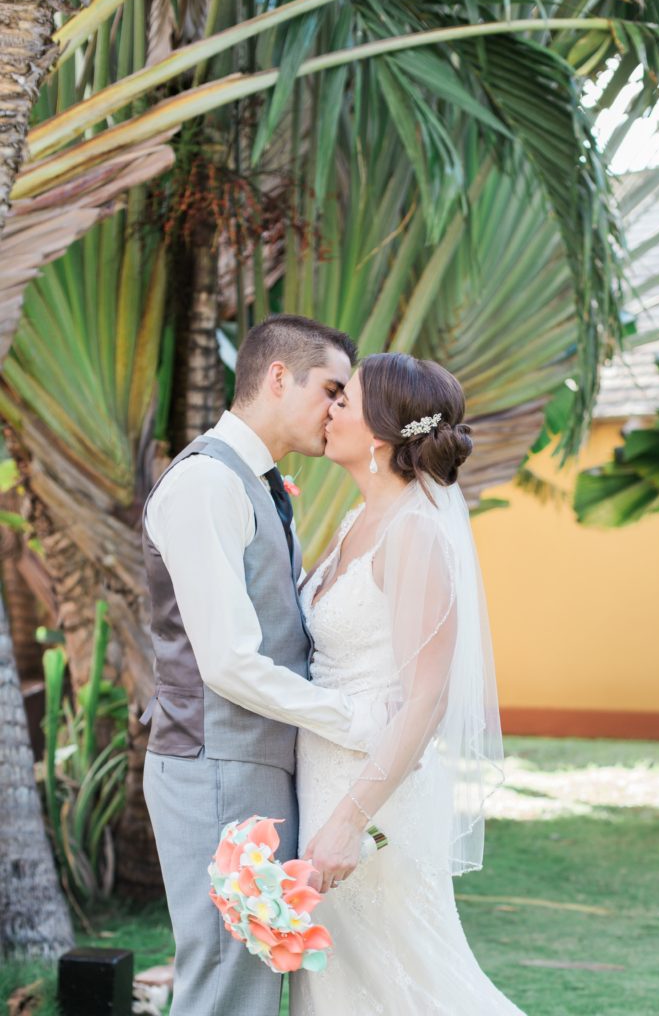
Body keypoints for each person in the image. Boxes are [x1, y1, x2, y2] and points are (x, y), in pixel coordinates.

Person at [141, 315, 385, 1016]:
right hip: (215, 761)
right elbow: (228, 663)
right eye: (331, 390)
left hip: (250, 763)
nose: (339, 409)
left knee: (250, 974)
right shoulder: (206, 485)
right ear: (278, 376)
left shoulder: (258, 484)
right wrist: (350, 718)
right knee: (228, 984)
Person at [290, 352, 525, 1014]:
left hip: (373, 801)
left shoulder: (414, 533)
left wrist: (347, 822)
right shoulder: (353, 524)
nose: (330, 408)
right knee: (341, 985)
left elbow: (426, 700)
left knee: (411, 981)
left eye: (346, 399)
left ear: (382, 432)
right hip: (324, 772)